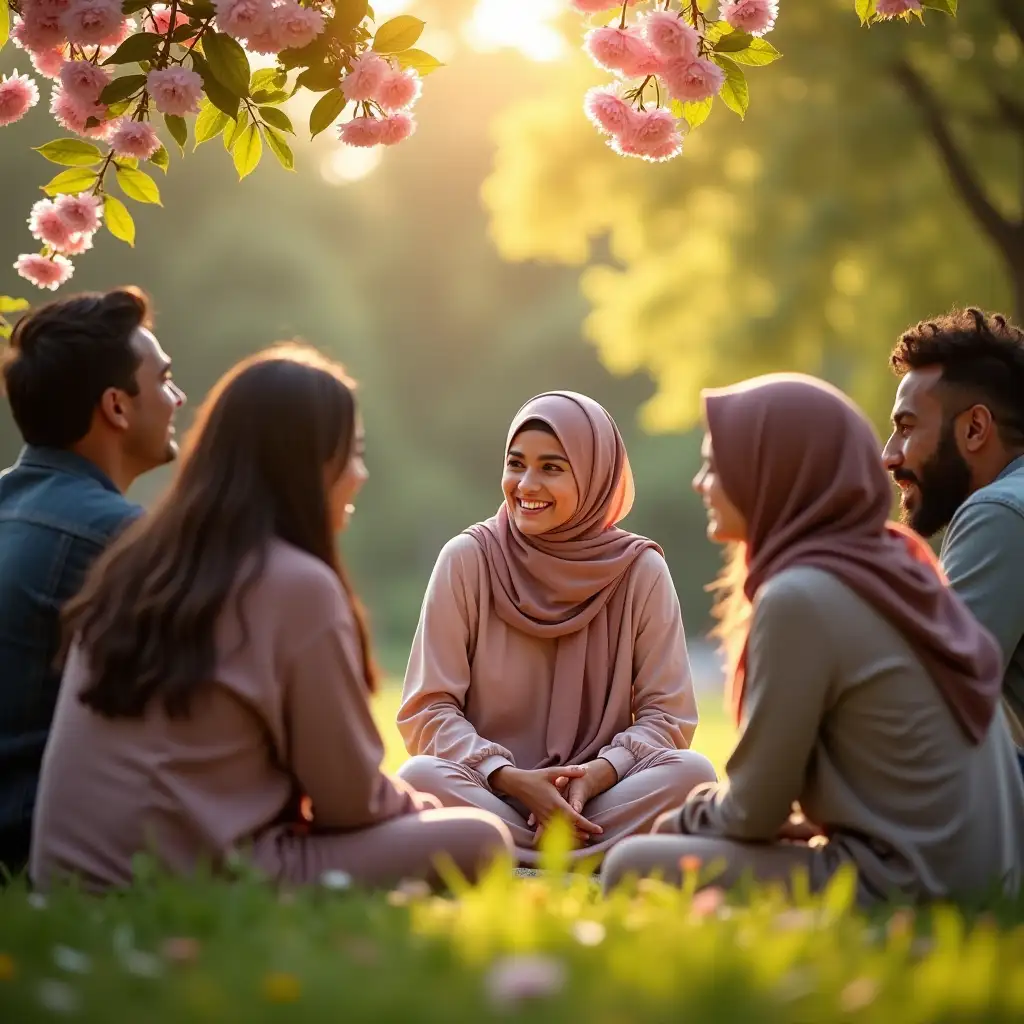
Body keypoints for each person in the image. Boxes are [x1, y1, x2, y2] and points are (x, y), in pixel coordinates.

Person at [30, 345, 512, 892]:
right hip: (198, 879)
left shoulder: (138, 563)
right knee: (480, 838)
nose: (361, 474)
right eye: (350, 453)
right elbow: (349, 801)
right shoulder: (296, 585)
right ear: (305, 465)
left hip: (67, 882)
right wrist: (422, 808)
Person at [602, 374, 1024, 904]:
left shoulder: (799, 596)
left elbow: (753, 811)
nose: (701, 483)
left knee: (634, 864)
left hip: (910, 886)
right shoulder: (894, 568)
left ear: (773, 472)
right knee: (679, 835)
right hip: (979, 878)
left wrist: (686, 816)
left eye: (716, 465)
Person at [397, 391, 716, 866]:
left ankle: (503, 849)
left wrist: (596, 775)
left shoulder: (639, 570)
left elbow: (666, 717)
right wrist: (507, 775)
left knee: (692, 773)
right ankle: (582, 852)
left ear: (593, 476)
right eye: (516, 464)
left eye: (551, 468)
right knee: (420, 776)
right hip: (492, 791)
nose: (526, 484)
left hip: (599, 798)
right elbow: (429, 708)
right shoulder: (467, 559)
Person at [0, 287, 184, 878]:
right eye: (163, 379)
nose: (178, 398)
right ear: (117, 407)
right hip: (33, 838)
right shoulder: (122, 539)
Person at [882, 308, 1024, 765]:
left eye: (906, 427)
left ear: (975, 428)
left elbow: (929, 705)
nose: (889, 456)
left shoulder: (999, 513)